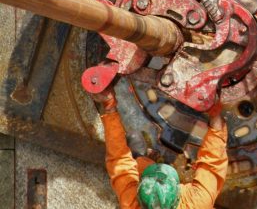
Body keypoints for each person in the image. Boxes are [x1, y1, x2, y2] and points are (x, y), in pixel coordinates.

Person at [93, 88, 228, 209]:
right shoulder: (197, 202)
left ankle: (142, 159)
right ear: (177, 195)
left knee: (135, 147)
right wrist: (215, 111)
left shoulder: (131, 202)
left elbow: (118, 159)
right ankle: (144, 161)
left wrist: (109, 106)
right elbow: (213, 162)